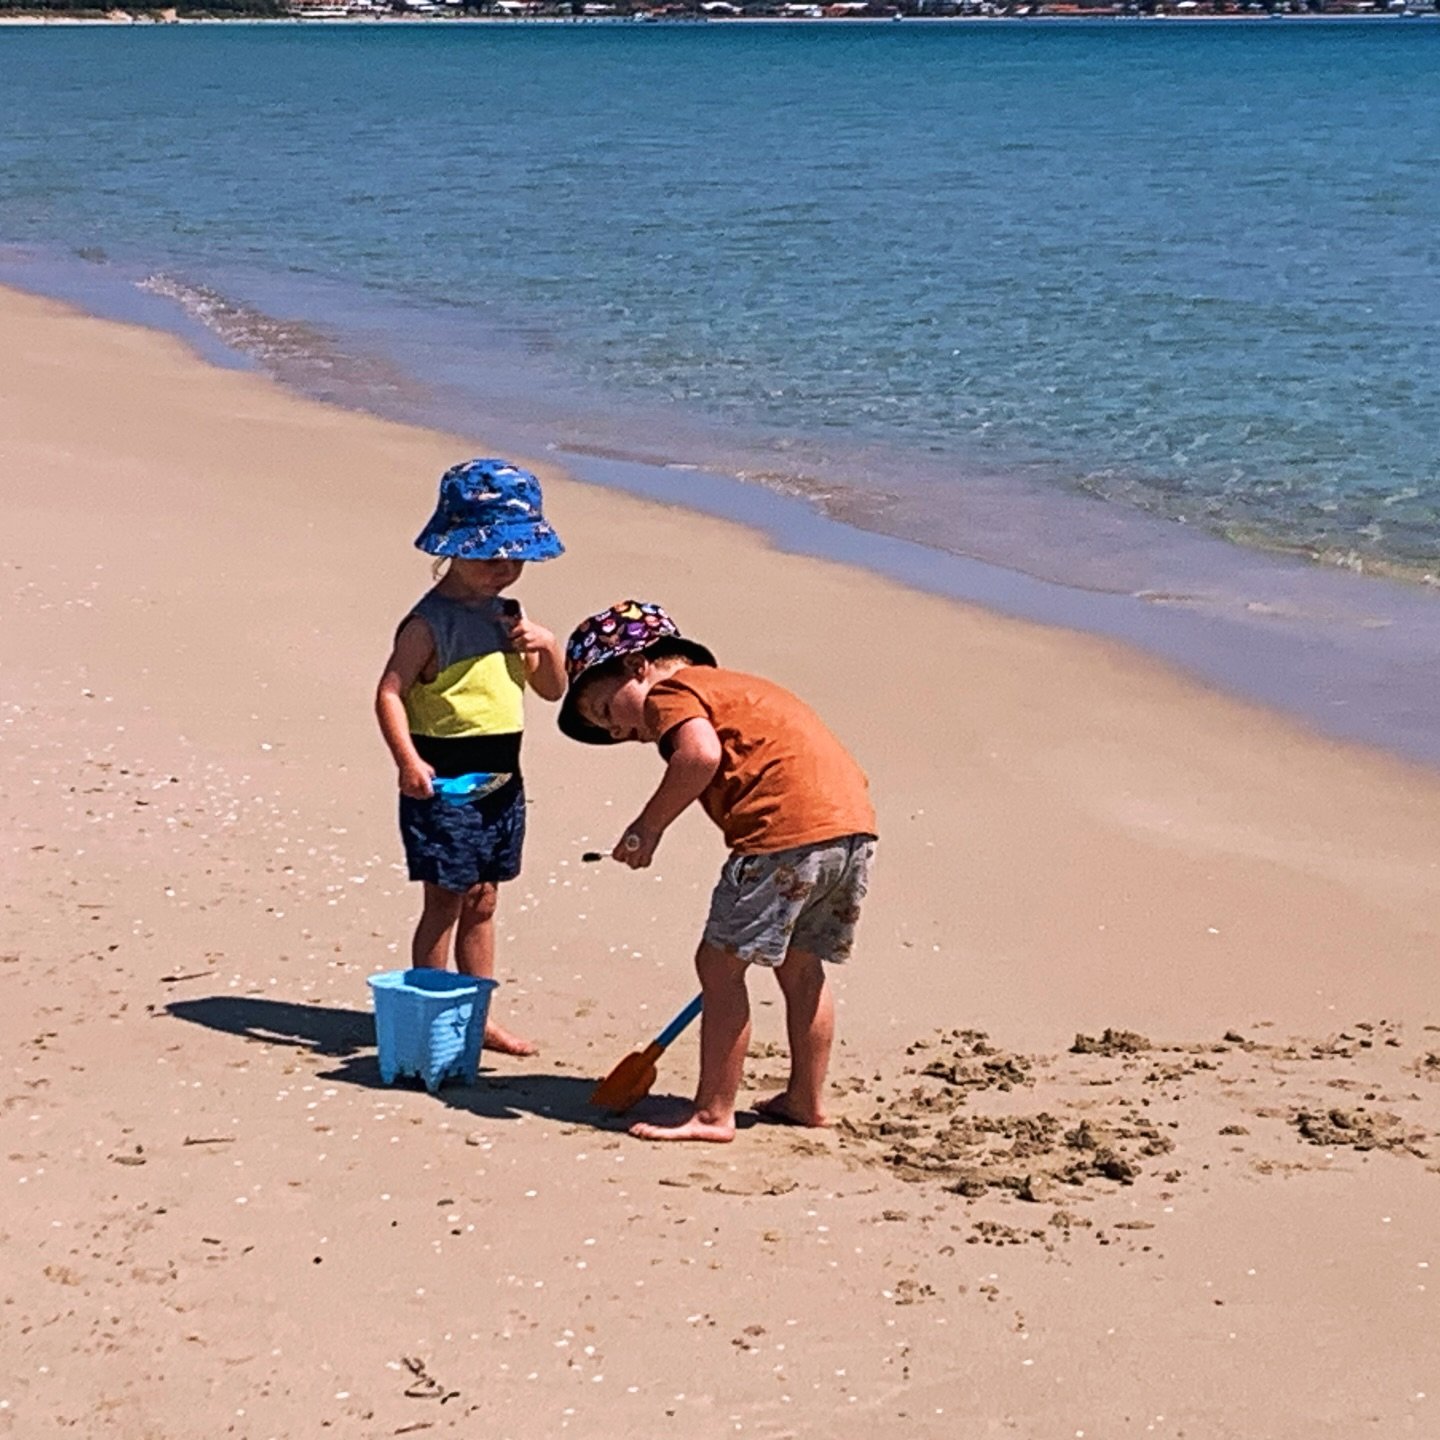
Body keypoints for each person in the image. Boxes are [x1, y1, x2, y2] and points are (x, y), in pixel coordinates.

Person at [558, 600, 877, 1142]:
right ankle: (806, 1099)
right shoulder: (735, 687)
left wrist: (648, 826)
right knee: (801, 967)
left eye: (607, 711)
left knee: (719, 965)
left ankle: (713, 1113)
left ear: (637, 665)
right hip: (850, 828)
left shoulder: (671, 693)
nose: (617, 733)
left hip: (783, 833)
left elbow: (699, 758)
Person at [375, 458, 566, 1057]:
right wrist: (408, 762)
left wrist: (548, 647)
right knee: (444, 901)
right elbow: (388, 694)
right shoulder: (427, 624)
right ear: (454, 548)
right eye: (490, 556)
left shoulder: (510, 617)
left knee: (484, 900)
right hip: (444, 782)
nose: (504, 569)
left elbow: (551, 691)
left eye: (515, 557)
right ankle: (432, 1012)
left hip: (503, 783)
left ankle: (478, 1013)